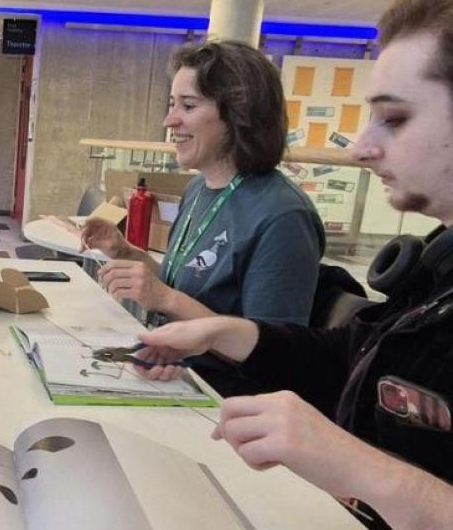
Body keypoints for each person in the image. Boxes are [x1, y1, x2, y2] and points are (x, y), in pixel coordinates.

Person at [136, 0, 453, 529]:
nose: (359, 148)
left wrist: (351, 462)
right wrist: (227, 334)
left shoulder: (280, 213)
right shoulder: (436, 271)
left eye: (395, 118)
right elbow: (350, 358)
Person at [82, 40, 324, 395]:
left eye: (188, 105)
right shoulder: (198, 190)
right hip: (178, 373)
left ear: (239, 114)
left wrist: (166, 300)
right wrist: (125, 253)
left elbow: (276, 362)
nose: (169, 120)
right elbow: (185, 286)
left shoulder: (283, 217)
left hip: (225, 401)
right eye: (171, 104)